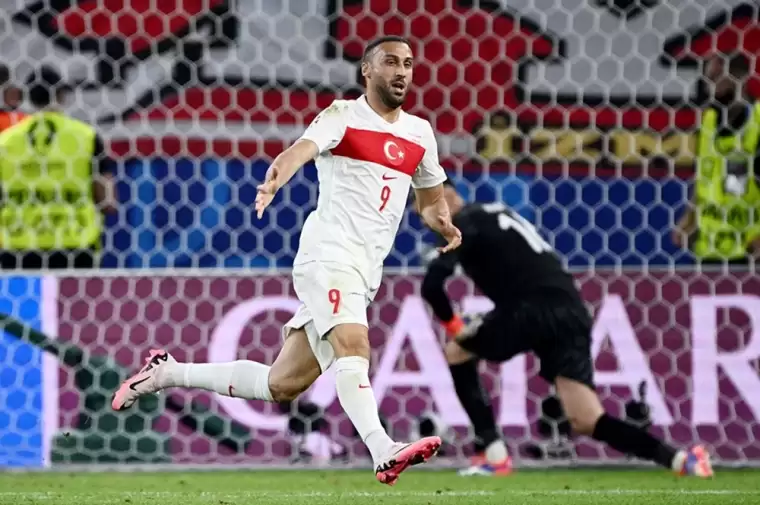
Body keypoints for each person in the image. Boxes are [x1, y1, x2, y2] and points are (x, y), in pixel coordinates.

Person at [111, 36, 462, 485]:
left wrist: (443, 224)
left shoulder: (420, 133)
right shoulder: (342, 115)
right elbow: (300, 150)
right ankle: (382, 448)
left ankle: (167, 372)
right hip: (329, 253)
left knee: (282, 383)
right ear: (367, 70)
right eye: (390, 62)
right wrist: (277, 177)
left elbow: (429, 201)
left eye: (408, 64)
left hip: (365, 270)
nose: (401, 72)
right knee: (354, 345)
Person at [420, 180, 713, 478]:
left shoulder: (462, 224)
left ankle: (495, 455)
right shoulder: (493, 212)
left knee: (457, 350)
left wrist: (455, 326)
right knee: (587, 418)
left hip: (531, 308)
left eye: (427, 208)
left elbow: (431, 287)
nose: (426, 218)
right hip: (571, 310)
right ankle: (681, 460)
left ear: (447, 197)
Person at [0, 65, 117, 269]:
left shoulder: (5, 141)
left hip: (18, 247)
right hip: (75, 245)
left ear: (27, 97)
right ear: (62, 95)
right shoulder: (86, 137)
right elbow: (107, 201)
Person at [673, 52, 760, 265]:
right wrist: (689, 217)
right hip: (708, 250)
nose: (708, 85)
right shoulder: (708, 121)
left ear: (740, 78)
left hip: (750, 250)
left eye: (716, 77)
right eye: (707, 78)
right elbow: (703, 177)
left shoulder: (757, 121)